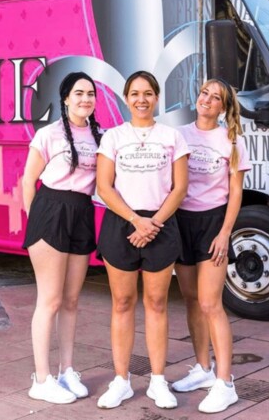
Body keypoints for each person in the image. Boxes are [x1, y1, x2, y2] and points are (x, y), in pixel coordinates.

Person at [96, 71, 189, 410]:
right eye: (135, 93)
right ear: (126, 98)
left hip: (161, 224)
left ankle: (158, 381)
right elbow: (104, 186)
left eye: (148, 93)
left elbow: (180, 187)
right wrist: (136, 220)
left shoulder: (171, 136)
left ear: (157, 97)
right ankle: (121, 381)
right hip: (123, 223)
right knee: (122, 303)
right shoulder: (113, 137)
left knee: (157, 303)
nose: (141, 99)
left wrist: (154, 223)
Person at [22, 71, 103, 404]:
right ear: (66, 98)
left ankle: (66, 370)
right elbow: (28, 181)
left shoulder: (102, 136)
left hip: (81, 212)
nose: (86, 99)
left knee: (71, 301)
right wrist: (36, 224)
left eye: (91, 94)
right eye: (79, 93)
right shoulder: (49, 134)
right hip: (51, 211)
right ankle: (41, 379)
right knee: (50, 300)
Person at [172, 79, 251, 414]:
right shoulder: (179, 135)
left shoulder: (231, 140)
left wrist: (225, 233)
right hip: (182, 222)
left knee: (210, 303)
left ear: (223, 106)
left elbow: (236, 193)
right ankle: (203, 369)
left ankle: (225, 383)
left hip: (213, 224)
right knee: (190, 299)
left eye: (215, 97)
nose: (206, 99)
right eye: (204, 93)